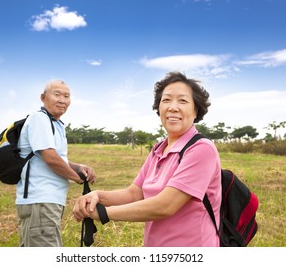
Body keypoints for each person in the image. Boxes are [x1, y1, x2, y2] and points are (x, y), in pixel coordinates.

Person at [73, 71, 221, 247]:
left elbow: (165, 205)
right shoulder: (158, 149)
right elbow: (135, 193)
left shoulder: (202, 149)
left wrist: (104, 213)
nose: (173, 107)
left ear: (196, 110)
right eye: (166, 100)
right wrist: (97, 195)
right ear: (158, 108)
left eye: (183, 101)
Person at [16, 80, 96, 247]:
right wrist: (77, 177)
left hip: (46, 201)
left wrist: (78, 167)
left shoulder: (56, 124)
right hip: (40, 200)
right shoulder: (40, 119)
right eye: (57, 94)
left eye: (66, 96)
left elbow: (57, 157)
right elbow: (50, 158)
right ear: (43, 98)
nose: (62, 100)